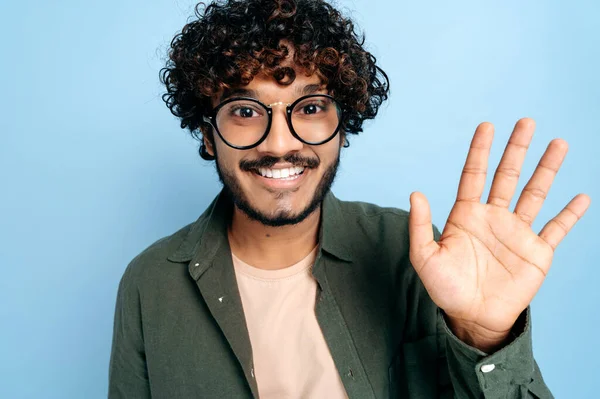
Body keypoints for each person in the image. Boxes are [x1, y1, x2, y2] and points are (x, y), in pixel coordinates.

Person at [108, 0, 590, 398]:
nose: (279, 143)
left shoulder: (417, 256)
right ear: (208, 134)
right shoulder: (150, 284)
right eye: (245, 110)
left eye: (312, 107)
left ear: (345, 126)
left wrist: (486, 339)